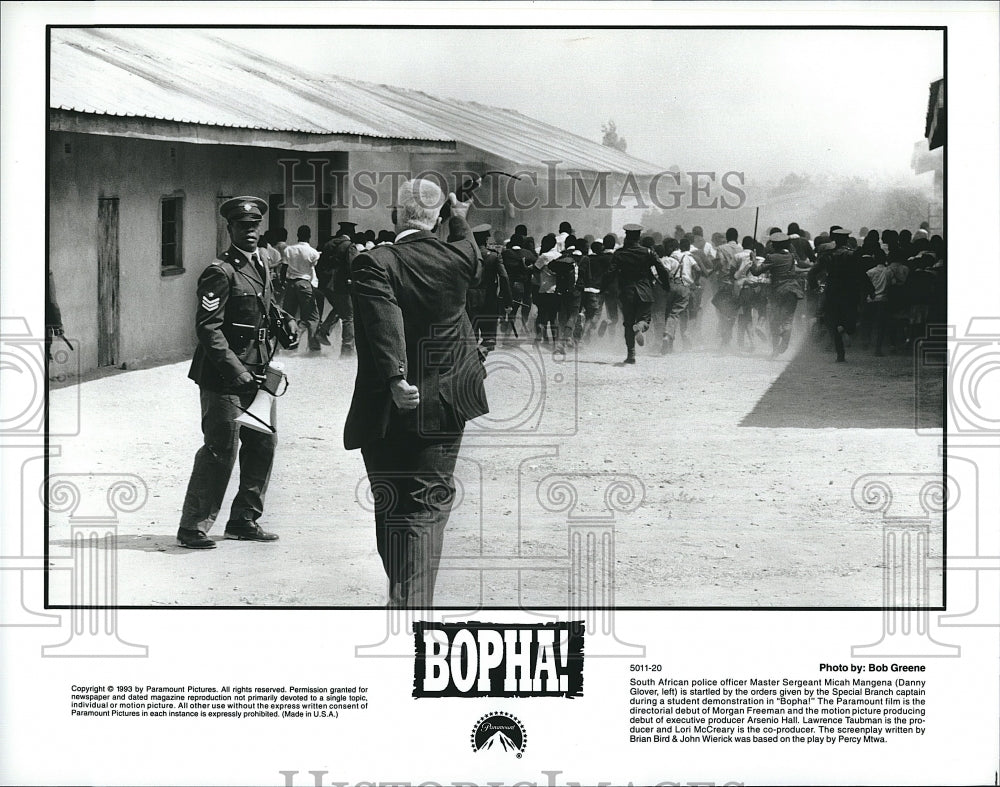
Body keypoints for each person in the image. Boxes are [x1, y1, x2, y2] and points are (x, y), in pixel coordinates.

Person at [344, 179, 487, 608]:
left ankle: (405, 599)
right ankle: (411, 602)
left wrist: (395, 377)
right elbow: (469, 248)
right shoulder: (458, 258)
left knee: (390, 503)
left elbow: (383, 317)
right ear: (438, 217)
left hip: (390, 404)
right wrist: (459, 217)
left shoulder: (374, 262)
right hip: (445, 404)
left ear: (395, 215)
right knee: (427, 505)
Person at [177, 196, 287, 548]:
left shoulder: (264, 263)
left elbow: (265, 306)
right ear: (231, 229)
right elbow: (208, 328)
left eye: (255, 227)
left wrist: (285, 323)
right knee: (220, 448)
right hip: (224, 375)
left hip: (260, 371)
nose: (251, 233)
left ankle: (244, 519)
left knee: (262, 445)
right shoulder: (220, 271)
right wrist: (235, 371)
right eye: (244, 227)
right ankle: (193, 526)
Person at [609, 223, 670, 364]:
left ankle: (631, 354)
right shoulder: (648, 252)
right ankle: (640, 326)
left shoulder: (619, 253)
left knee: (628, 322)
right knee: (645, 319)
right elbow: (661, 269)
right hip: (645, 291)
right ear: (639, 237)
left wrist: (604, 288)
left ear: (626, 236)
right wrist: (666, 285)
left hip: (626, 293)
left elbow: (610, 272)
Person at [753, 232, 804, 357]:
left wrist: (753, 260)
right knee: (788, 319)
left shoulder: (771, 257)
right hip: (792, 290)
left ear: (774, 245)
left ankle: (775, 349)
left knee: (774, 321)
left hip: (777, 291)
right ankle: (785, 342)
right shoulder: (791, 256)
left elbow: (756, 272)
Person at [466, 223, 512, 354]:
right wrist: (507, 301)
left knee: (471, 337)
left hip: (469, 299)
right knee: (489, 338)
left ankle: (474, 359)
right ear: (486, 239)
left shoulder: (467, 255)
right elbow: (504, 277)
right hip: (489, 299)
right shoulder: (494, 256)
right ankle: (481, 355)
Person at [315, 221, 358, 357]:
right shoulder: (349, 246)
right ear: (351, 233)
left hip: (327, 285)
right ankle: (347, 351)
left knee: (341, 309)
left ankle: (323, 330)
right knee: (349, 317)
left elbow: (319, 265)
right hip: (342, 285)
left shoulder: (328, 244)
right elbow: (353, 266)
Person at [281, 224, 322, 351]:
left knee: (288, 315)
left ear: (297, 235)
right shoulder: (313, 252)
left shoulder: (288, 250)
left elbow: (284, 268)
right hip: (305, 284)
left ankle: (289, 343)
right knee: (312, 317)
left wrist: (283, 282)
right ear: (309, 236)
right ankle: (313, 347)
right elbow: (315, 270)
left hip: (291, 283)